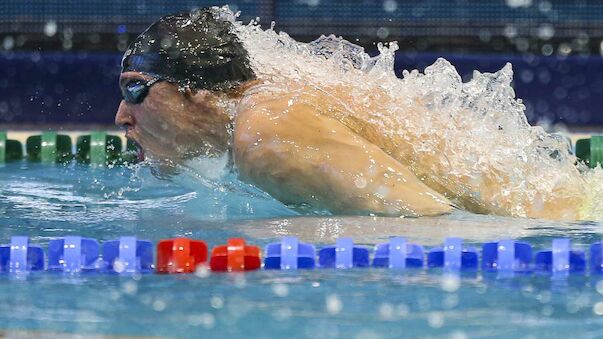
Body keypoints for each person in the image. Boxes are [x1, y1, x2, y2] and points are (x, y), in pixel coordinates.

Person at [115, 8, 583, 220]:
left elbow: (429, 222)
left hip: (564, 224)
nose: (121, 116)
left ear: (198, 93)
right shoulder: (267, 96)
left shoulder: (267, 139)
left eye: (136, 92)